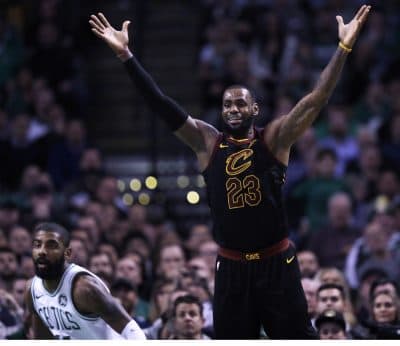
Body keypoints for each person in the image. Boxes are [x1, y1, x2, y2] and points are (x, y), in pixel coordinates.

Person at [89, 4, 371, 339]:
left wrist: (342, 49)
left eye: (240, 103)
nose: (233, 109)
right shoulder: (207, 142)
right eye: (227, 104)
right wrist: (126, 57)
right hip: (232, 265)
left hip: (276, 261)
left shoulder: (274, 138)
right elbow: (161, 104)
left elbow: (315, 99)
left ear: (254, 109)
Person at [24, 222, 146, 339]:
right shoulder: (32, 290)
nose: (42, 252)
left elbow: (132, 330)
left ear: (67, 253)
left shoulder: (84, 288)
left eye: (51, 246)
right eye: (37, 245)